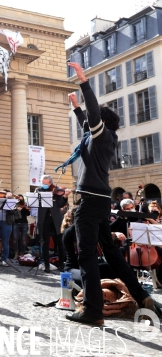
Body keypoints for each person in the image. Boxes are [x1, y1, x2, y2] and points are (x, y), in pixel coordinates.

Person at [65, 62, 159, 324]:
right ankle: (141, 294)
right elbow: (87, 123)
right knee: (111, 253)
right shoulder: (103, 140)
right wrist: (76, 108)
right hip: (102, 200)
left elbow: (93, 117)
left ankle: (93, 311)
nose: (90, 123)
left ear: (103, 123)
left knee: (86, 255)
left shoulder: (103, 136)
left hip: (92, 201)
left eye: (96, 121)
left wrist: (84, 81)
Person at [36, 174, 69, 273]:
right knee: (45, 243)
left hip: (56, 220)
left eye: (46, 184)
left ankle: (62, 265)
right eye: (43, 183)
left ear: (50, 183)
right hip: (44, 220)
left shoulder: (57, 190)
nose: (44, 185)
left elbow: (60, 204)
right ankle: (46, 265)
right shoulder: (38, 190)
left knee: (60, 242)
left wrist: (65, 196)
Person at [0, 192, 15, 266]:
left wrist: (9, 199)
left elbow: (13, 212)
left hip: (6, 223)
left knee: (5, 242)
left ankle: (4, 259)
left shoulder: (10, 201)